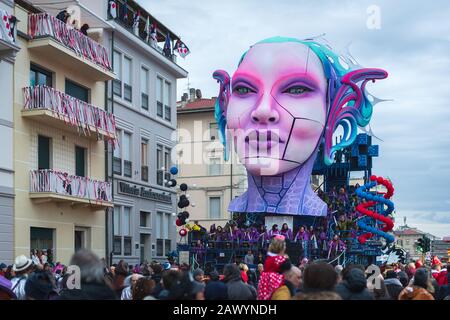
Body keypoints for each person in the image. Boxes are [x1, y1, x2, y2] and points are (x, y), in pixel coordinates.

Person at [257, 236, 291, 300]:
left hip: (265, 280)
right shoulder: (280, 259)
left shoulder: (269, 258)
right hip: (274, 280)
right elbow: (287, 265)